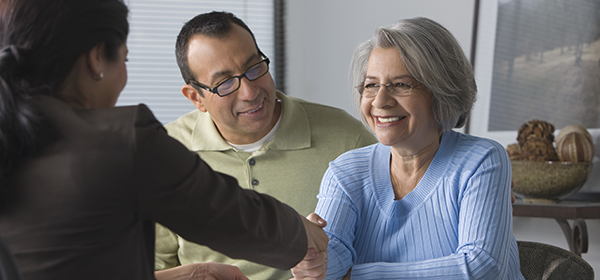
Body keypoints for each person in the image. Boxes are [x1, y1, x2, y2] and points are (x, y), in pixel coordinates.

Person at [0, 0, 329, 279]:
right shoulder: (121, 140)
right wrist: (301, 234)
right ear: (96, 59)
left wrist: (189, 274)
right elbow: (224, 212)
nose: (249, 92)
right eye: (125, 59)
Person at [153, 11, 377, 280]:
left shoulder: (346, 138)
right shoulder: (163, 154)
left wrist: (334, 263)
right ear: (195, 97)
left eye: (254, 68)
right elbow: (151, 267)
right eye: (224, 84)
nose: (250, 93)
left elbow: (387, 248)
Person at [299, 17, 525, 279]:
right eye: (371, 85)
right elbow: (330, 265)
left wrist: (355, 277)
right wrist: (312, 254)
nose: (380, 101)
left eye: (401, 85)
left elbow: (479, 268)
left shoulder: (481, 161)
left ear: (441, 92)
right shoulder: (346, 172)